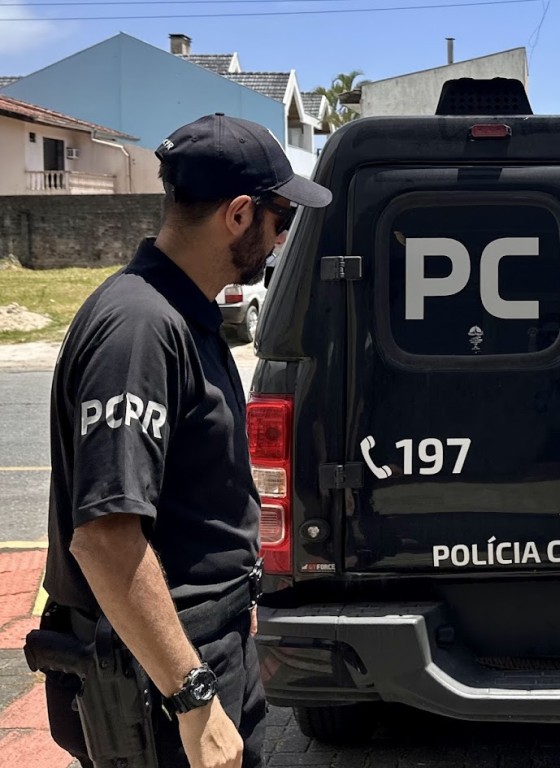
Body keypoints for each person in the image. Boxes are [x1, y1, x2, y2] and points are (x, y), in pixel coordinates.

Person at [41, 113, 331, 767]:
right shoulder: (139, 329)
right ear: (238, 214)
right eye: (280, 219)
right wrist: (195, 698)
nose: (281, 238)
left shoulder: (180, 315)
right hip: (163, 687)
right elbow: (105, 539)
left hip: (192, 658)